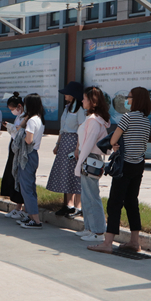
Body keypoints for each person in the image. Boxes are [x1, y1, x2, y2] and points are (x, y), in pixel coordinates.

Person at [89, 87, 151, 254]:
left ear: (136, 100)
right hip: (138, 165)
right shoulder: (146, 120)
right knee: (132, 202)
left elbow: (113, 140)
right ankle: (134, 241)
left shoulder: (128, 117)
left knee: (115, 203)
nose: (127, 100)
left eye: (129, 97)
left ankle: (108, 243)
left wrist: (116, 145)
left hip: (124, 165)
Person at [74, 87, 111, 242]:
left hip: (90, 158)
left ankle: (98, 232)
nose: (82, 101)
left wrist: (79, 164)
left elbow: (88, 144)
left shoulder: (94, 120)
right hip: (88, 157)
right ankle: (89, 228)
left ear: (92, 101)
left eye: (85, 98)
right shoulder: (93, 118)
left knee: (92, 195)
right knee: (87, 196)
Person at [47, 82, 86, 217]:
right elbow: (62, 128)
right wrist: (58, 144)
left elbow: (81, 129)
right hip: (65, 142)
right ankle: (69, 205)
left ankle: (78, 206)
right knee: (66, 173)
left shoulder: (80, 109)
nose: (65, 95)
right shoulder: (68, 108)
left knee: (76, 174)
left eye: (67, 93)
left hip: (74, 143)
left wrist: (77, 148)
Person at [14, 93, 46, 229]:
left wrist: (22, 132)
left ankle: (36, 220)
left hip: (27, 154)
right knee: (29, 187)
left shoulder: (32, 121)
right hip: (33, 154)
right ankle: (30, 216)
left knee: (26, 188)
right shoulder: (38, 118)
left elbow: (28, 140)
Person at [0, 93, 26, 219]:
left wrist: (10, 127)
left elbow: (19, 131)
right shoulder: (19, 116)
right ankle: (17, 207)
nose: (12, 111)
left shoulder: (26, 117)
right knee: (12, 175)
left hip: (20, 149)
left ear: (19, 106)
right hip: (14, 146)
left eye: (13, 109)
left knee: (19, 177)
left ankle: (22, 208)